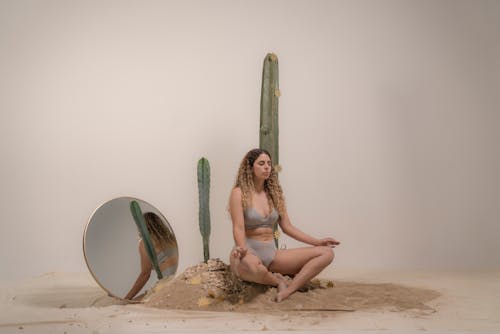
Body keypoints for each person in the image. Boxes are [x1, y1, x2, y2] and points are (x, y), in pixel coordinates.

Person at [229, 148, 340, 302]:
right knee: (252, 265)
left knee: (327, 253)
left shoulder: (274, 194)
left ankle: (289, 289)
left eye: (268, 163)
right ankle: (279, 281)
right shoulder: (239, 193)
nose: (267, 167)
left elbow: (287, 227)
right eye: (261, 163)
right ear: (250, 167)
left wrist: (318, 242)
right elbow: (238, 227)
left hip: (272, 254)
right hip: (247, 252)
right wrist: (243, 250)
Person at [125, 212, 178, 300]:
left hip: (167, 281)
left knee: (135, 301)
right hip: (179, 277)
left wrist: (127, 299)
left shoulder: (145, 243)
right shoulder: (171, 238)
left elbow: (145, 274)